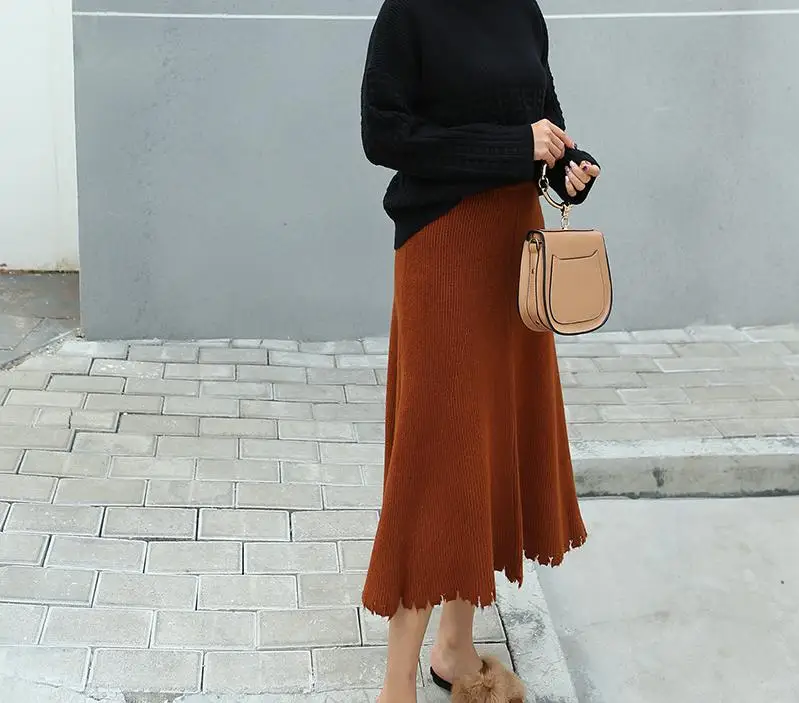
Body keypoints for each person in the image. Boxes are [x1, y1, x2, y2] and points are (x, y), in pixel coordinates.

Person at [359, 0, 601, 700]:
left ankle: (456, 649)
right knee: (436, 453)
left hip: (513, 251)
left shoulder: (521, 10)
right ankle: (396, 682)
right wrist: (512, 147)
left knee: (485, 446)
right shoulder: (409, 13)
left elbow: (543, 124)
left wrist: (566, 168)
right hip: (443, 246)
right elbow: (385, 135)